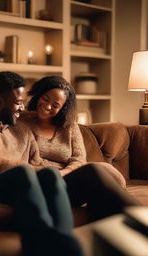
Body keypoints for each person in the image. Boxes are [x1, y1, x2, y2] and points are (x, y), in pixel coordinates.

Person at [0, 71, 138, 223]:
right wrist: (43, 172)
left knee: (92, 175)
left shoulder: (20, 129)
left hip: (24, 184)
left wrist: (60, 172)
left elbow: (38, 161)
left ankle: (136, 224)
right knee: (30, 174)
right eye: (18, 102)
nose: (22, 107)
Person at [19, 75, 139, 219]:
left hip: (68, 179)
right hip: (44, 182)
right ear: (39, 95)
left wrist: (63, 174)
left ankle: (131, 227)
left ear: (63, 108)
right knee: (93, 171)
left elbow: (79, 159)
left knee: (102, 199)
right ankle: (141, 219)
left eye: (56, 105)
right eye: (45, 98)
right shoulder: (23, 123)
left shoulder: (69, 127)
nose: (48, 106)